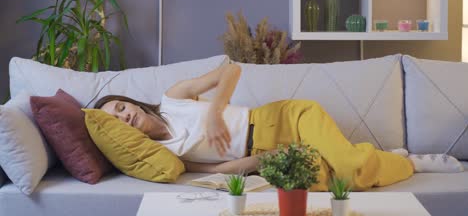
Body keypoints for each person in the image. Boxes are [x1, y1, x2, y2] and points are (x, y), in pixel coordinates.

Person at [95, 63, 464, 191]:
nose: (123, 115)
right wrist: (265, 161)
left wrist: (212, 113)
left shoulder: (174, 98)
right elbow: (217, 169)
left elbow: (231, 71)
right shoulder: (166, 154)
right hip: (267, 155)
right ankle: (380, 158)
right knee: (336, 184)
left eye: (121, 107)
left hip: (286, 118)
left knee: (351, 171)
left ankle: (410, 162)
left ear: (133, 103)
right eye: (115, 119)